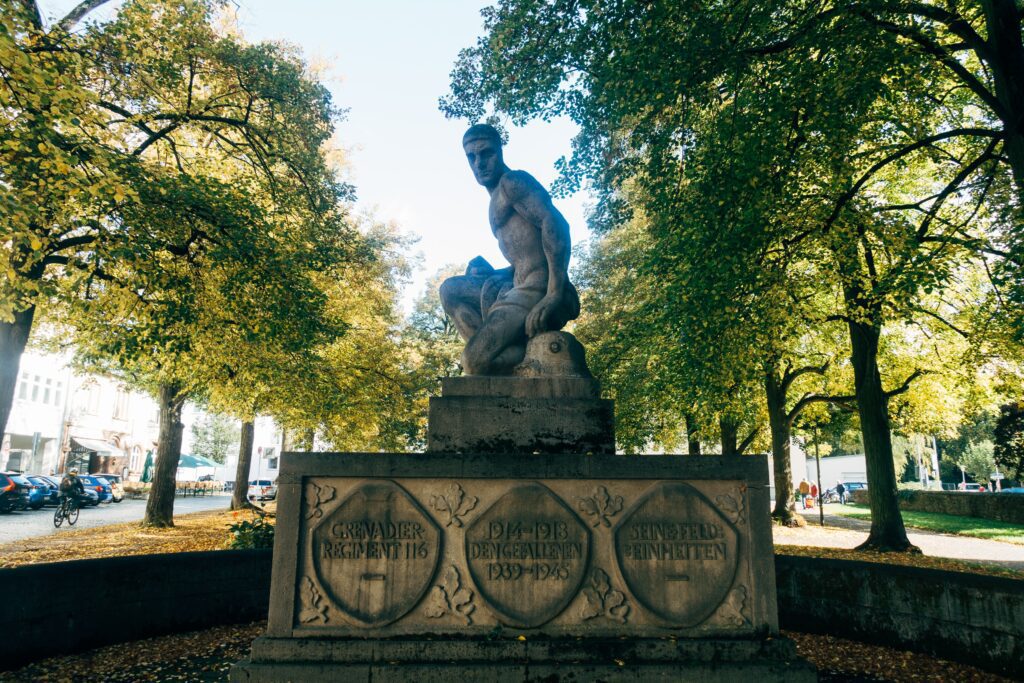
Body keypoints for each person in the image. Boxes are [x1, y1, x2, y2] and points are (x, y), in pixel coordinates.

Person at [440, 124, 580, 375]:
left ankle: (520, 358)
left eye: (486, 153)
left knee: (473, 363)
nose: (479, 163)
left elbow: (556, 224)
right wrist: (494, 275)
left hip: (538, 287)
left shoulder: (513, 182)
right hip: (514, 284)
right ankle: (498, 348)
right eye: (471, 157)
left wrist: (553, 294)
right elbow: (526, 256)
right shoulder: (494, 200)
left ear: (500, 151)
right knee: (450, 290)